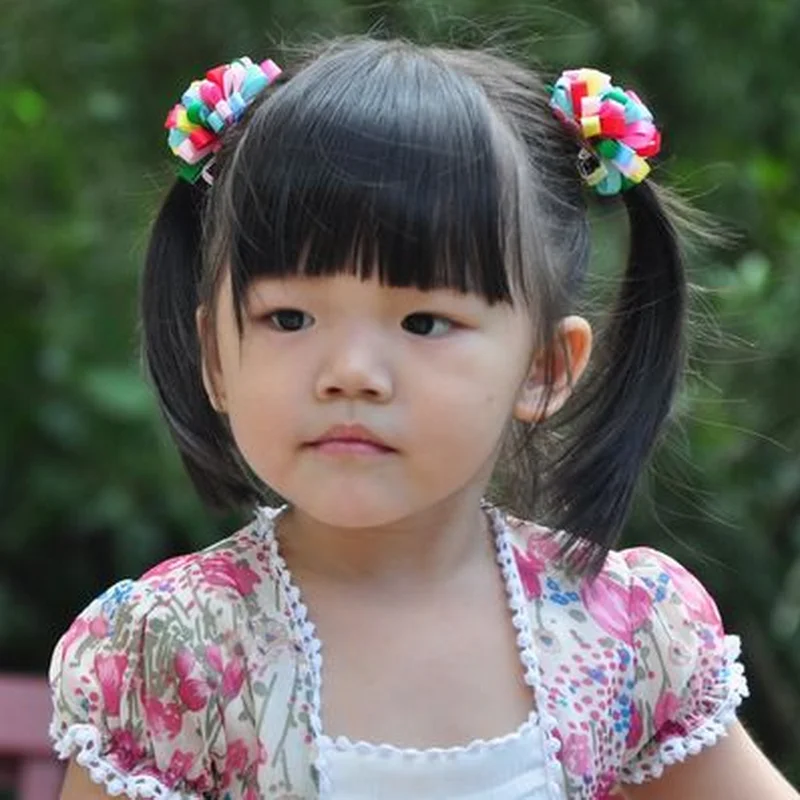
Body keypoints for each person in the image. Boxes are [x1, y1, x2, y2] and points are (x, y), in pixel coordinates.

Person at [49, 37, 798, 800]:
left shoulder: (619, 635)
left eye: (424, 323)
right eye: (289, 318)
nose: (350, 373)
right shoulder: (177, 652)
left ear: (543, 367)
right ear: (214, 354)